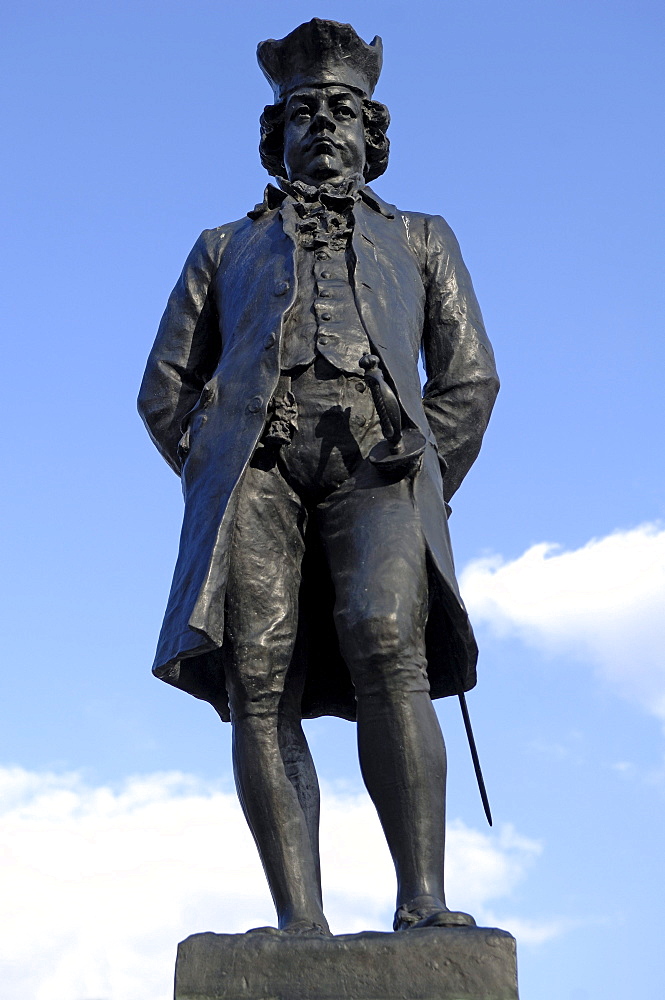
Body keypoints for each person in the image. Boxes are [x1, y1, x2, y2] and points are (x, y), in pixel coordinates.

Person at [138, 18, 499, 936]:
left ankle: (421, 897)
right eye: (304, 113)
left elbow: (468, 379)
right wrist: (216, 466)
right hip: (254, 470)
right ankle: (299, 919)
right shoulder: (222, 246)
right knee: (257, 678)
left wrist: (424, 473)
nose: (323, 126)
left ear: (371, 133)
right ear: (278, 132)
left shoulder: (421, 237)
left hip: (377, 466)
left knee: (387, 640)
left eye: (342, 111)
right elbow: (163, 388)